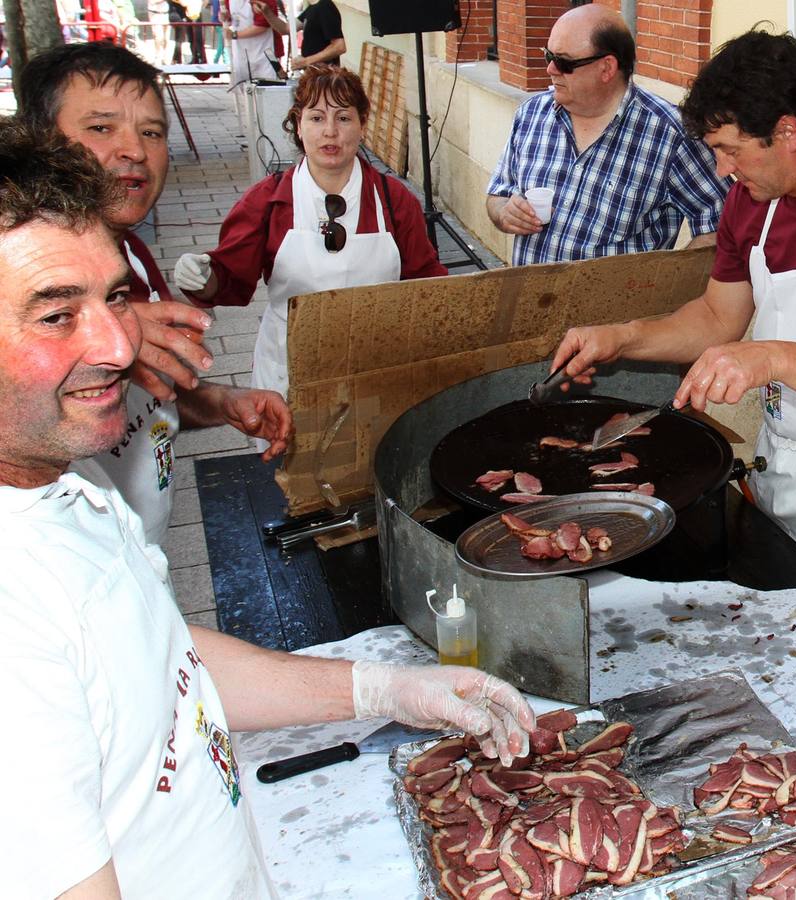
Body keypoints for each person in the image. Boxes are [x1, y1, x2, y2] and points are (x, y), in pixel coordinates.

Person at [0, 117, 534, 898]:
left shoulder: (68, 492)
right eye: (56, 314)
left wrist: (385, 689)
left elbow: (157, 660)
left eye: (115, 298)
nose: (117, 344)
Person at [550, 30, 796, 647]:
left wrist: (773, 357)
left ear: (787, 132)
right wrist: (621, 337)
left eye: (730, 150)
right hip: (778, 466)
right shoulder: (751, 200)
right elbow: (716, 317)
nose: (721, 170)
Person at [18, 40, 293, 547]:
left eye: (152, 132)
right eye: (101, 128)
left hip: (140, 548)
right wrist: (95, 333)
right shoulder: (14, 275)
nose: (135, 150)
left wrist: (221, 402)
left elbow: (147, 394)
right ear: (40, 142)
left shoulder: (134, 254)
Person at [174, 65, 447, 397]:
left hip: (375, 368)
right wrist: (204, 278)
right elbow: (230, 276)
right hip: (289, 371)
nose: (330, 131)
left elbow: (426, 281)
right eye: (317, 118)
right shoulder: (268, 200)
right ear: (298, 125)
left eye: (343, 118)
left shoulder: (394, 200)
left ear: (362, 124)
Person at [486, 3, 727, 266]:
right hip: (528, 291)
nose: (550, 69)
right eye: (548, 56)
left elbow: (722, 224)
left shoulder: (670, 134)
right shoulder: (531, 114)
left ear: (607, 68)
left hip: (623, 295)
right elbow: (498, 193)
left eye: (564, 62)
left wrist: (669, 279)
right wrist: (505, 213)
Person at [256, 0, 345, 70]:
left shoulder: (325, 6)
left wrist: (305, 61)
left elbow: (339, 47)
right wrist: (266, 12)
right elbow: (286, 29)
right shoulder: (312, 8)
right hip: (314, 74)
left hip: (325, 76)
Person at [224, 0, 283, 93]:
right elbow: (233, 18)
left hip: (266, 52)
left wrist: (235, 35)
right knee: (245, 91)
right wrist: (226, 17)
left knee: (269, 89)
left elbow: (263, 25)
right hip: (241, 52)